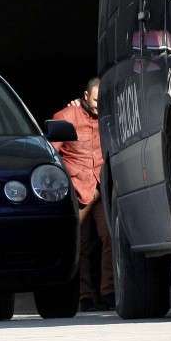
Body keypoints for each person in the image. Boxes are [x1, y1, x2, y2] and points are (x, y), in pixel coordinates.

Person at [52, 77, 113, 312]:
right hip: (77, 189)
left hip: (101, 187)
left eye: (102, 101)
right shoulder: (66, 117)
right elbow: (51, 153)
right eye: (96, 101)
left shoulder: (109, 116)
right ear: (85, 97)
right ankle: (85, 296)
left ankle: (109, 292)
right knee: (81, 245)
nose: (99, 106)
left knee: (109, 237)